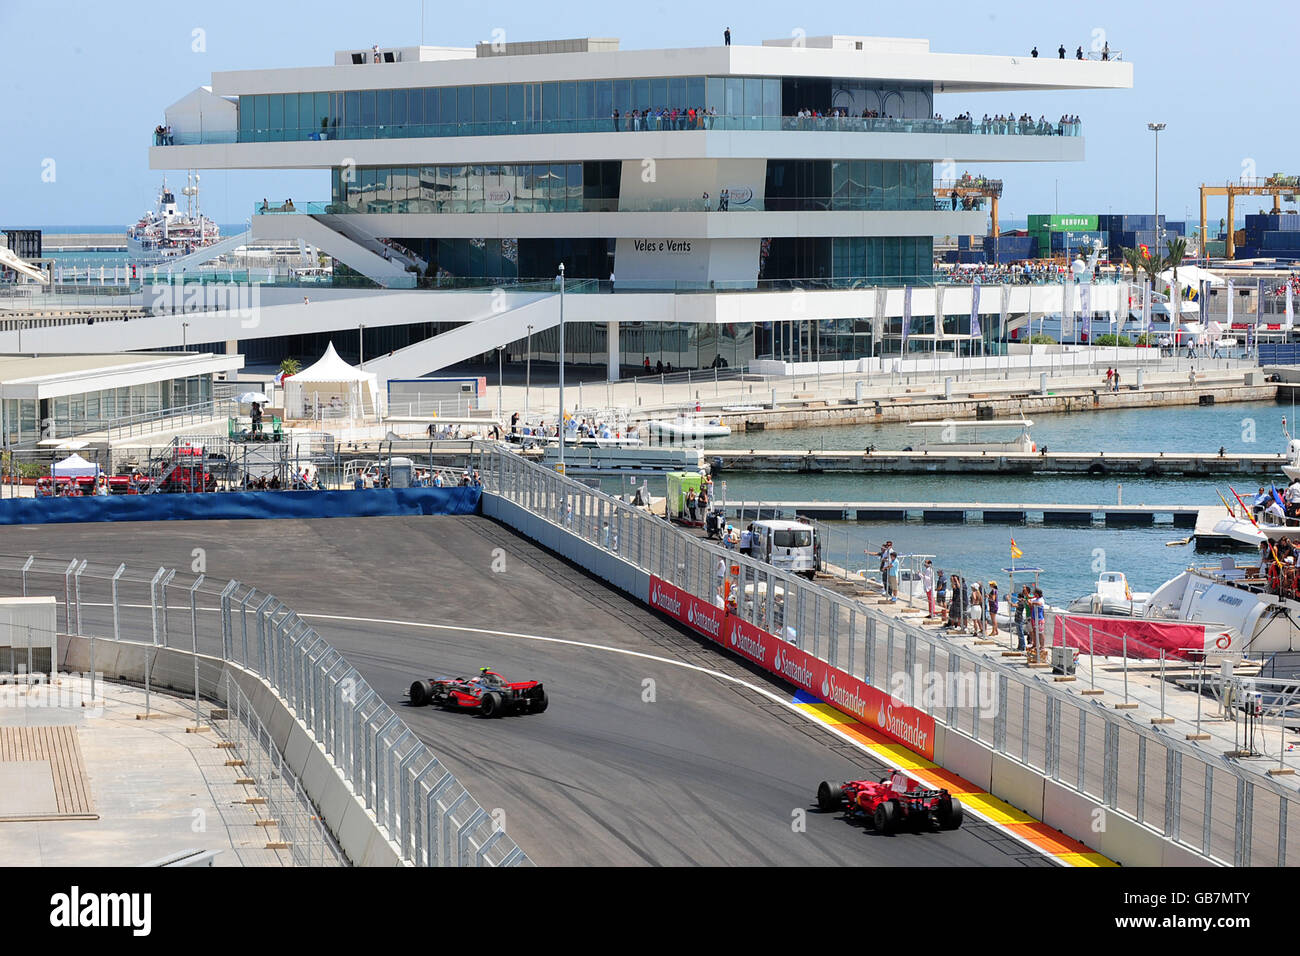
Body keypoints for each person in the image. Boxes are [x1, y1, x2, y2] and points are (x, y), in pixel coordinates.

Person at [1014, 586, 1029, 652]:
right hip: (1017, 618)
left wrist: (1009, 600)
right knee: (1019, 633)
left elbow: (1014, 605)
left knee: (1021, 633)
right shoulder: (1020, 602)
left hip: (1019, 618)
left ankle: (1022, 646)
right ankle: (1020, 646)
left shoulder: (1021, 603)